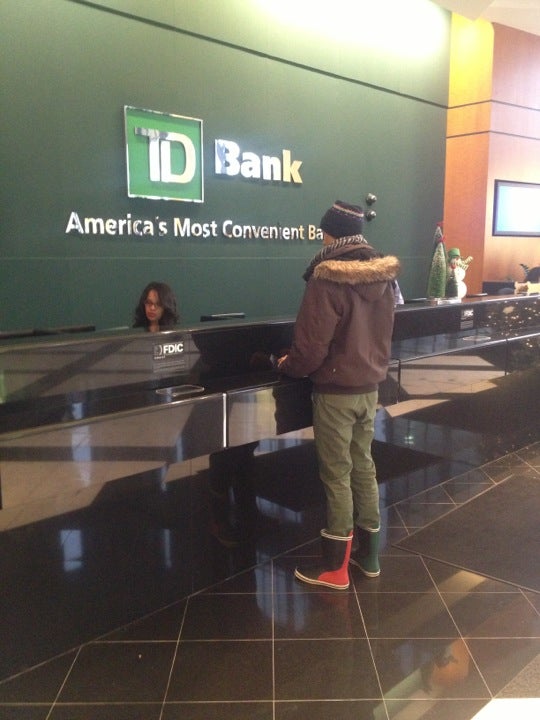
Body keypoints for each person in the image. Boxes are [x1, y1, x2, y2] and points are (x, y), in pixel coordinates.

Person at [278, 200, 401, 590]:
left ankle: (335, 569)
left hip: (335, 392)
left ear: (329, 233)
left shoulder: (327, 276)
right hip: (369, 389)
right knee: (363, 467)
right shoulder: (384, 276)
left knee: (337, 476)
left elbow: (310, 346)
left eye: (323, 232)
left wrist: (287, 366)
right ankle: (370, 557)